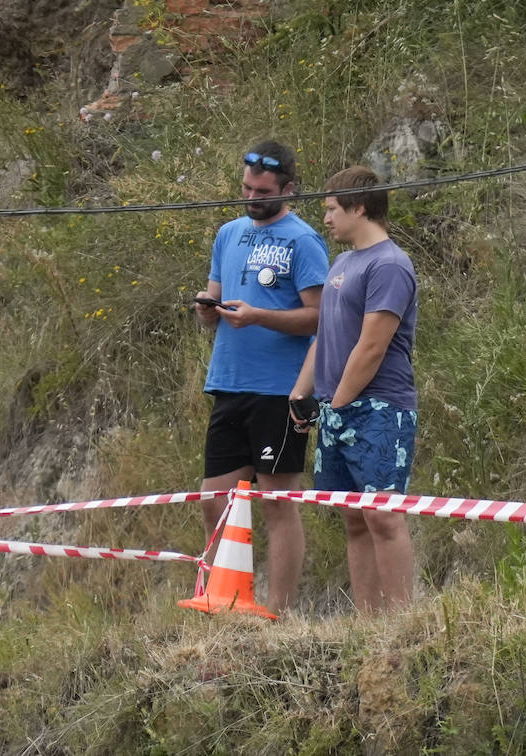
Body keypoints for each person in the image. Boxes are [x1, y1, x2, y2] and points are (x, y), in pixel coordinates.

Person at [194, 140, 329, 613]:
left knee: (277, 502)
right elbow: (214, 298)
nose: (251, 197)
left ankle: (280, 611)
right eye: (246, 188)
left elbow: (318, 318)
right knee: (215, 500)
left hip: (279, 390)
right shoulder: (228, 233)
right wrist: (206, 311)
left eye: (262, 190)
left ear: (288, 188)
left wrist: (258, 317)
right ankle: (226, 597)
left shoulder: (303, 240)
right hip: (229, 383)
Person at [290, 166, 418, 613]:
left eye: (331, 210)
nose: (325, 219)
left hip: (380, 408)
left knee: (383, 515)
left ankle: (403, 623)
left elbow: (372, 346)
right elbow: (325, 335)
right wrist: (300, 394)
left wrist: (339, 403)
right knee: (354, 518)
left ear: (359, 207)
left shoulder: (390, 265)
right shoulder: (341, 263)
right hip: (334, 406)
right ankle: (367, 623)